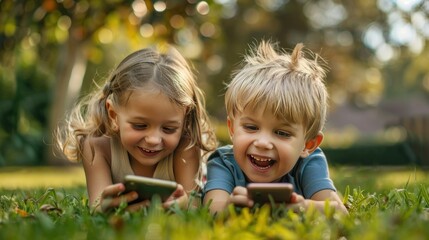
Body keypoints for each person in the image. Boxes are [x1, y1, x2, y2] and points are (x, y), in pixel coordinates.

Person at [56, 45, 217, 212]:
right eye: (140, 126)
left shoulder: (186, 146)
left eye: (169, 129)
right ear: (113, 115)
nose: (153, 139)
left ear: (184, 121)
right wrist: (106, 206)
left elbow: (194, 205)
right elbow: (97, 206)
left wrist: (179, 206)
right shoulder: (97, 147)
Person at [203, 40, 348, 214]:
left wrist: (301, 207)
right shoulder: (223, 162)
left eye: (281, 133)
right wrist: (232, 208)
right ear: (232, 129)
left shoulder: (309, 162)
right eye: (251, 127)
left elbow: (339, 212)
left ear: (308, 144)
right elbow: (212, 210)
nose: (263, 142)